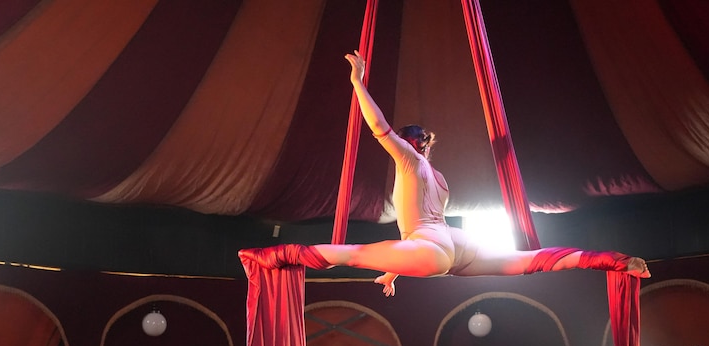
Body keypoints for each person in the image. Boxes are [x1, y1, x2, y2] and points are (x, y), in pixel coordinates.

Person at [247, 51, 651, 296]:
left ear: (409, 144)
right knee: (530, 261)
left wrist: (357, 81)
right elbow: (422, 226)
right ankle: (613, 260)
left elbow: (377, 127)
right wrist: (394, 269)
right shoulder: (437, 177)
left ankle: (269, 255)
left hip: (432, 247)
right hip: (458, 244)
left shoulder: (407, 160)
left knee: (350, 254)